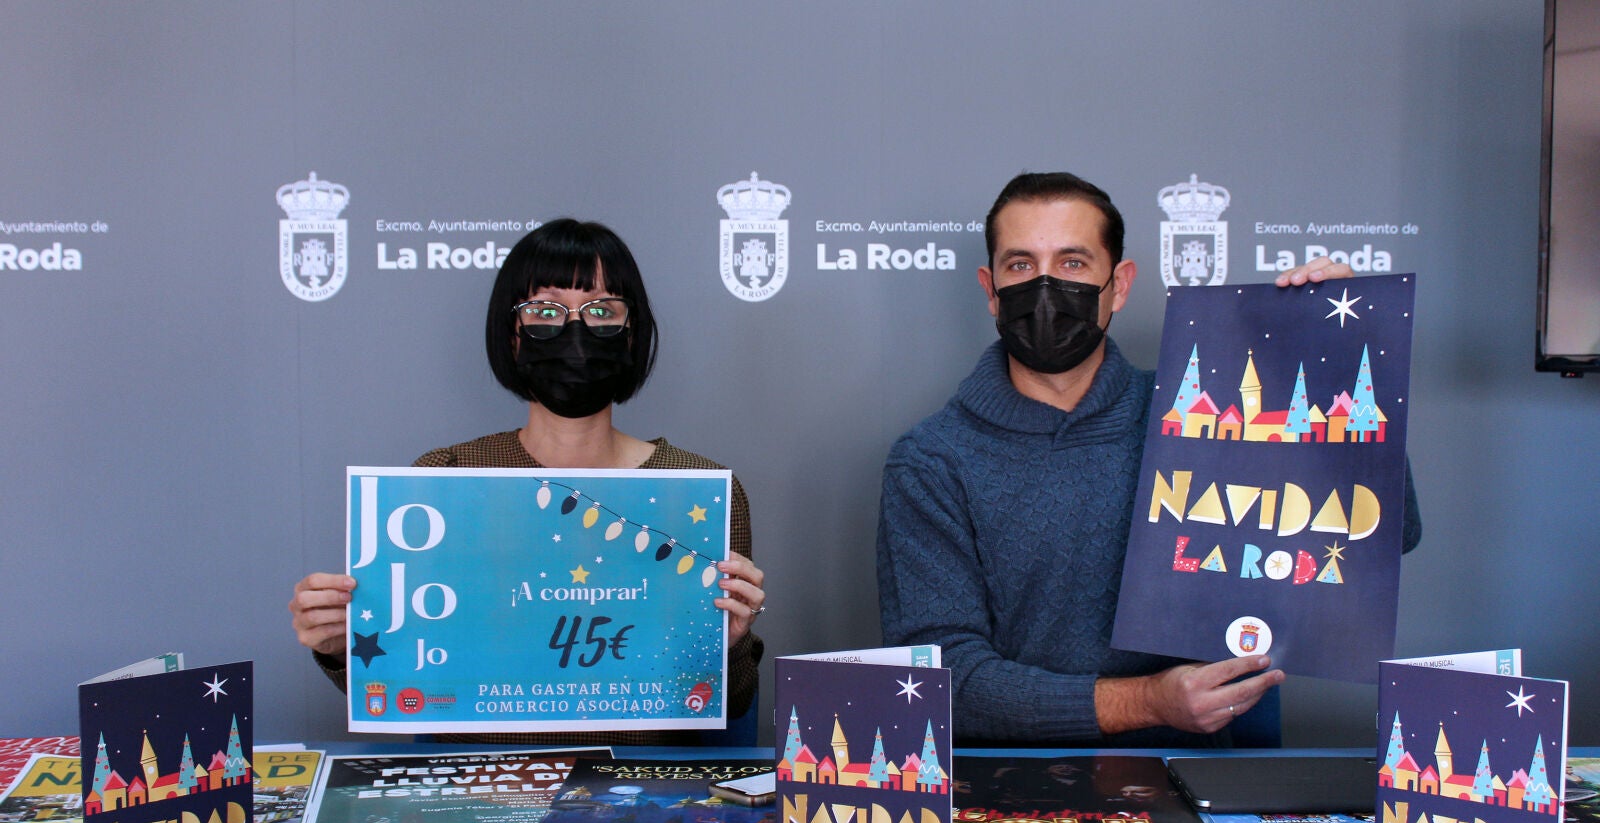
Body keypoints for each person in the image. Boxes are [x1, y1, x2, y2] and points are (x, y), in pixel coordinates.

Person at [877, 172, 1421, 747]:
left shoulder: (1206, 423)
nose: (1045, 287)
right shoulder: (931, 462)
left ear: (1119, 285)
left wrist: (1339, 355)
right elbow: (944, 678)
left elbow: (1388, 535)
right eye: (1020, 265)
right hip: (1009, 780)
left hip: (1198, 774)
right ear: (991, 289)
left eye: (1072, 263)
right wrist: (1147, 702)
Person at [290, 218, 765, 745]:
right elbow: (402, 685)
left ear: (632, 333)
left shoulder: (697, 488)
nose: (575, 330)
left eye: (602, 310)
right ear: (511, 333)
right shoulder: (446, 477)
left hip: (637, 787)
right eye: (545, 310)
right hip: (476, 788)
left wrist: (730, 645)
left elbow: (733, 705)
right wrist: (340, 644)